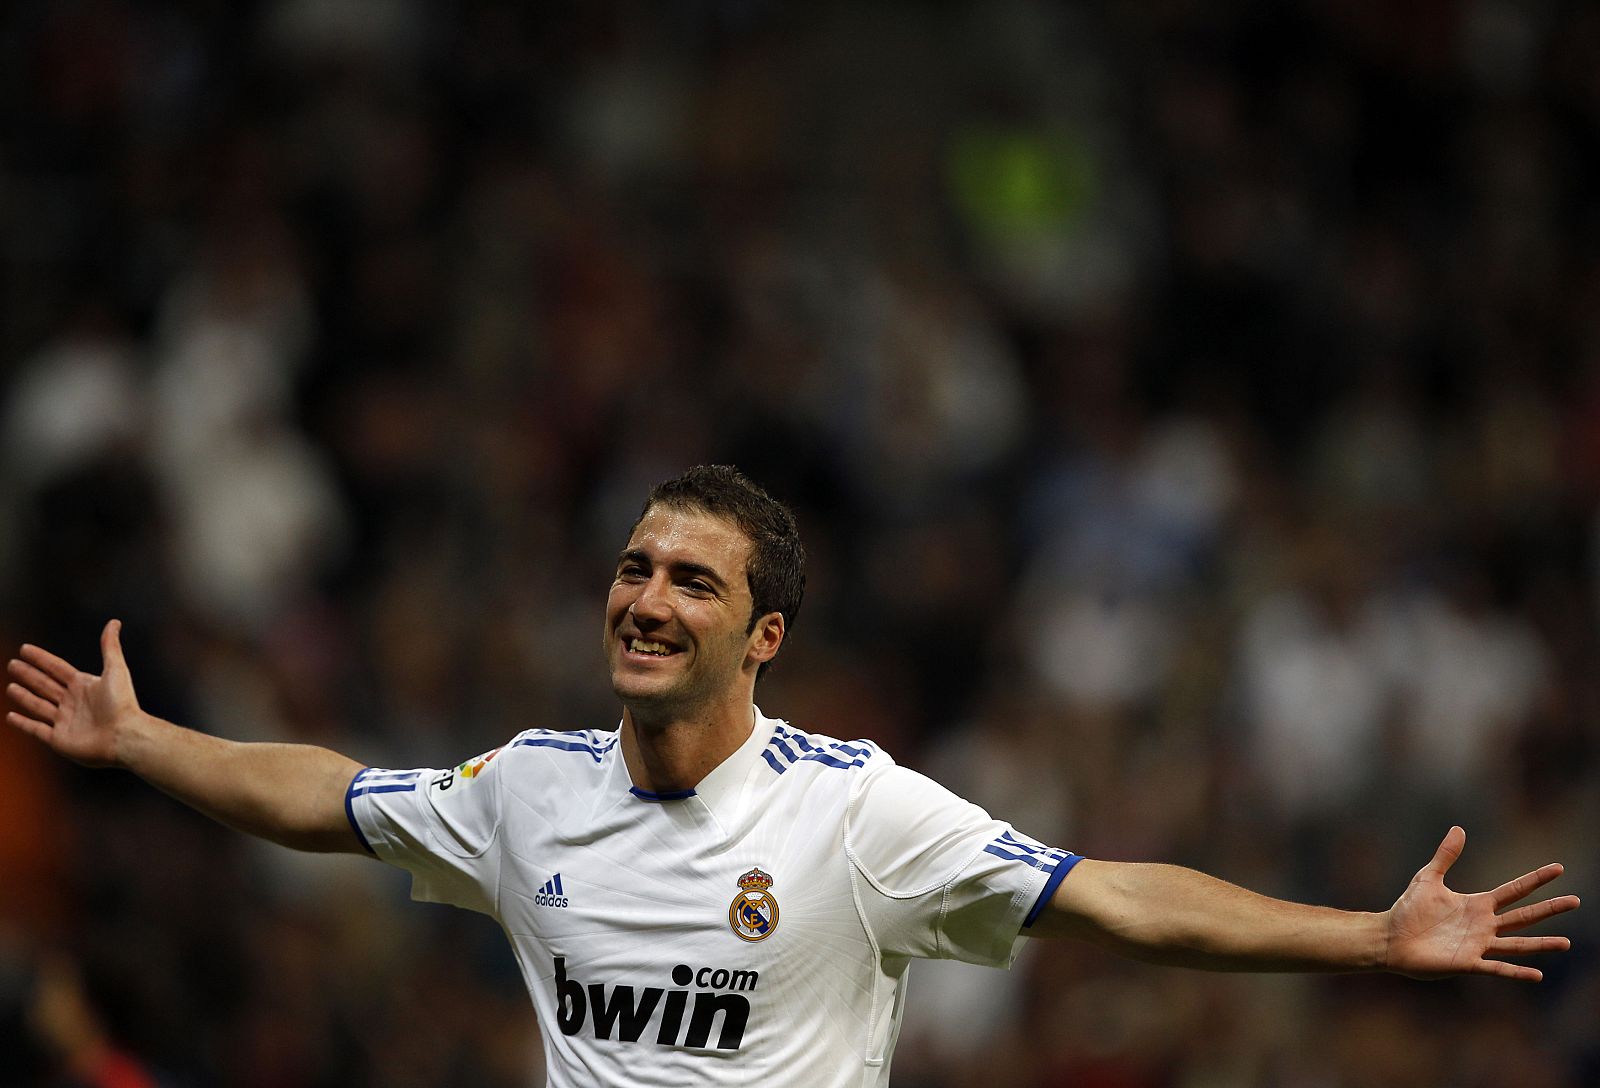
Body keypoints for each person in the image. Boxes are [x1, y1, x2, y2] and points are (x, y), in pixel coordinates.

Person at [6, 465, 1580, 1085]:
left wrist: (1364, 939)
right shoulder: (528, 787)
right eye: (633, 567)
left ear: (764, 636)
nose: (644, 597)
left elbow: (1115, 902)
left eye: (692, 581)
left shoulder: (858, 807)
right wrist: (142, 742)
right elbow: (328, 799)